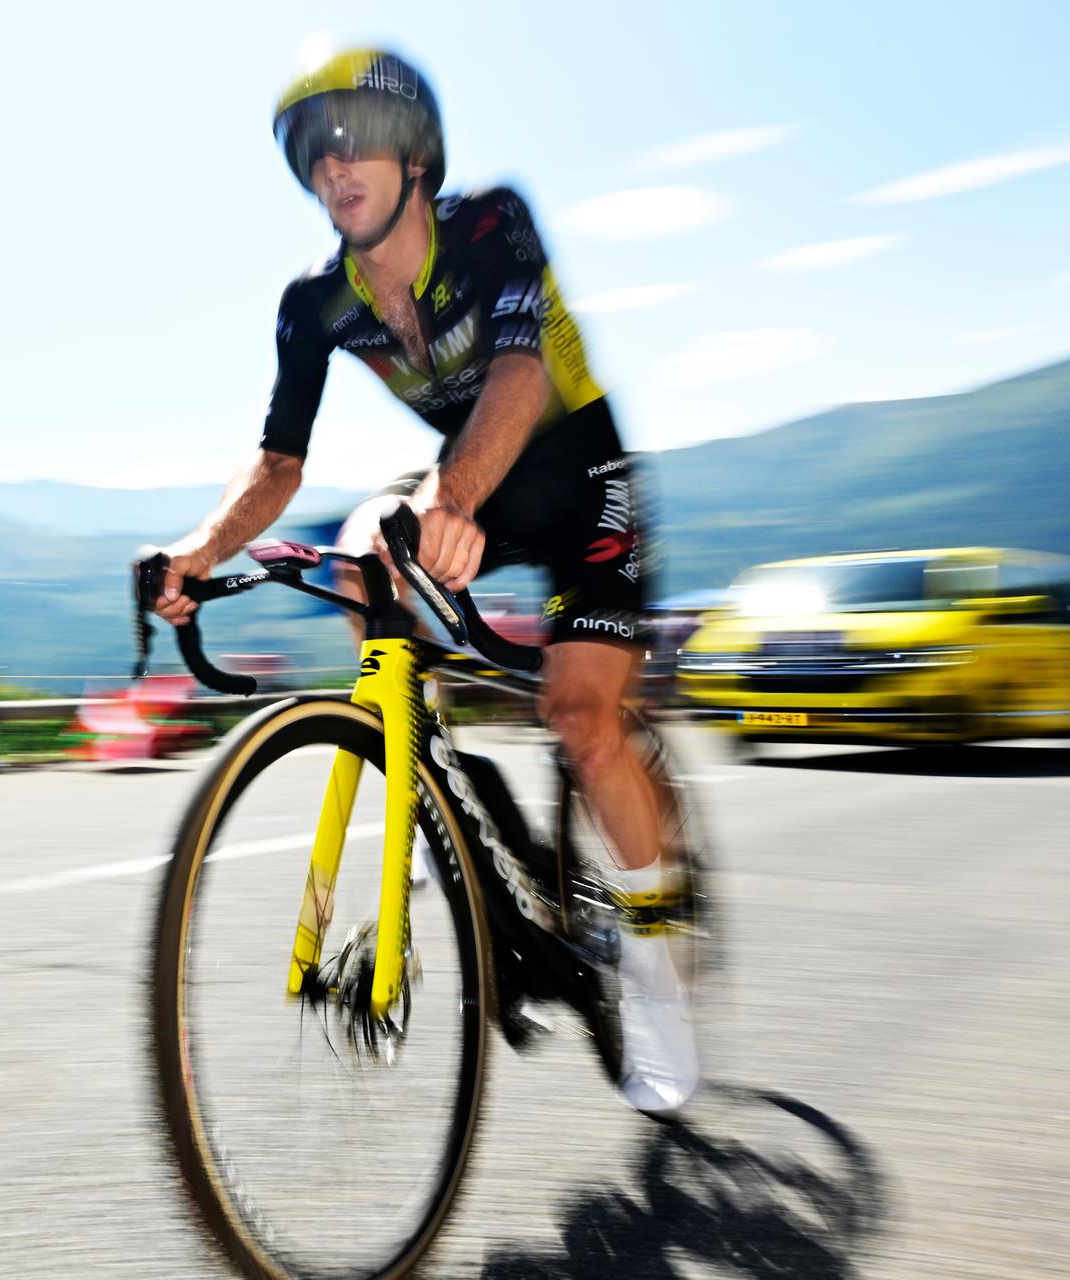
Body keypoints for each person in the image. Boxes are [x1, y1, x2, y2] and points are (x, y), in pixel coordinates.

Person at [148, 49, 694, 1115]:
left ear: (417, 154)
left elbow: (519, 370)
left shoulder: (492, 226)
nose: (334, 164)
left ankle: (661, 970)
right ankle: (430, 792)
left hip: (578, 477)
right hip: (466, 490)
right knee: (360, 558)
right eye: (313, 150)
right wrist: (198, 551)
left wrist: (453, 496)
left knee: (582, 718)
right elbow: (278, 463)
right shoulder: (315, 304)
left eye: (355, 136)